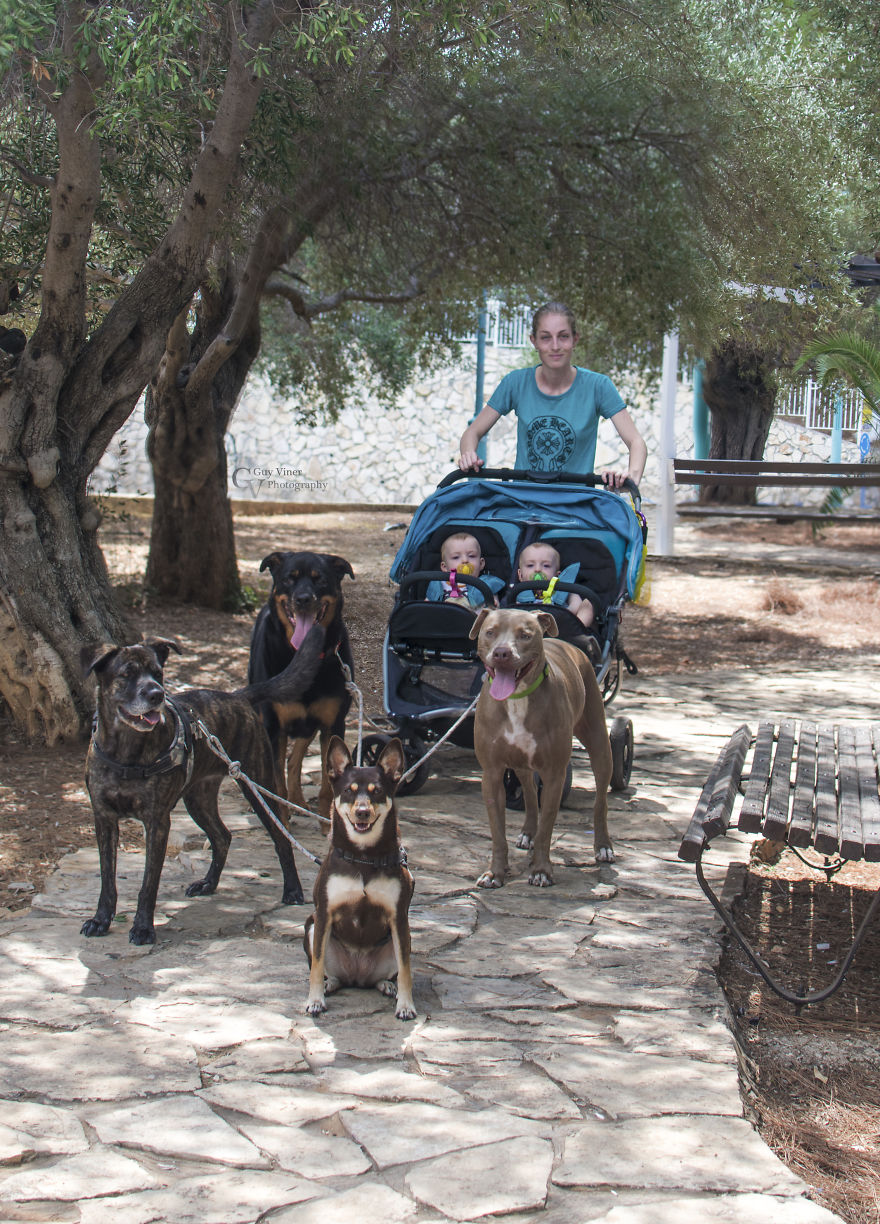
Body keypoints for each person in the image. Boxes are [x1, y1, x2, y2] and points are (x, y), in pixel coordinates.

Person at [458, 301, 647, 489]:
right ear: (534, 341)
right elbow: (472, 433)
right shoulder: (515, 383)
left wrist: (631, 476)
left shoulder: (598, 386)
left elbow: (636, 442)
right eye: (546, 337)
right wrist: (468, 454)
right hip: (524, 503)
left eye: (563, 336)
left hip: (577, 506)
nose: (555, 346)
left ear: (575, 339)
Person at [515, 541, 594, 630]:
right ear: (520, 575)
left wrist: (565, 613)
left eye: (546, 566)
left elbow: (576, 606)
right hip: (527, 629)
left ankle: (578, 632)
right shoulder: (517, 593)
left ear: (557, 575)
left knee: (588, 604)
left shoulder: (564, 589)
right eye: (530, 565)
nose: (537, 569)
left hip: (562, 626)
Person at [425, 532, 505, 608]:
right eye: (456, 557)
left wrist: (494, 603)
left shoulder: (486, 585)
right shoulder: (438, 585)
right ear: (444, 567)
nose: (465, 560)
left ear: (481, 564)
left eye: (471, 556)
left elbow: (493, 605)